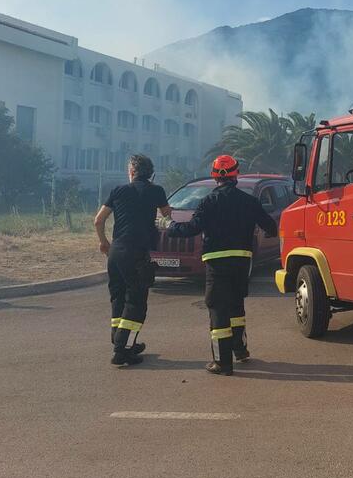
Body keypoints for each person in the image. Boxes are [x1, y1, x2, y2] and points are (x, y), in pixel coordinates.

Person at [167, 155, 278, 375]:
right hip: (242, 262)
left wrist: (171, 226)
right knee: (236, 306)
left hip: (217, 263)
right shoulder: (249, 201)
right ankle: (240, 350)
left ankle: (222, 362)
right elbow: (270, 227)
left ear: (214, 176)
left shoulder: (209, 201)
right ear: (236, 174)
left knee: (217, 309)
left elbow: (192, 228)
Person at [94, 154, 171, 367]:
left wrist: (104, 243)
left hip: (116, 251)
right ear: (151, 173)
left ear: (131, 172)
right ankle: (122, 350)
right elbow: (167, 214)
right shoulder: (156, 190)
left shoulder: (118, 191)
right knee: (136, 302)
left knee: (118, 297)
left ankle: (122, 342)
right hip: (137, 253)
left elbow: (98, 220)